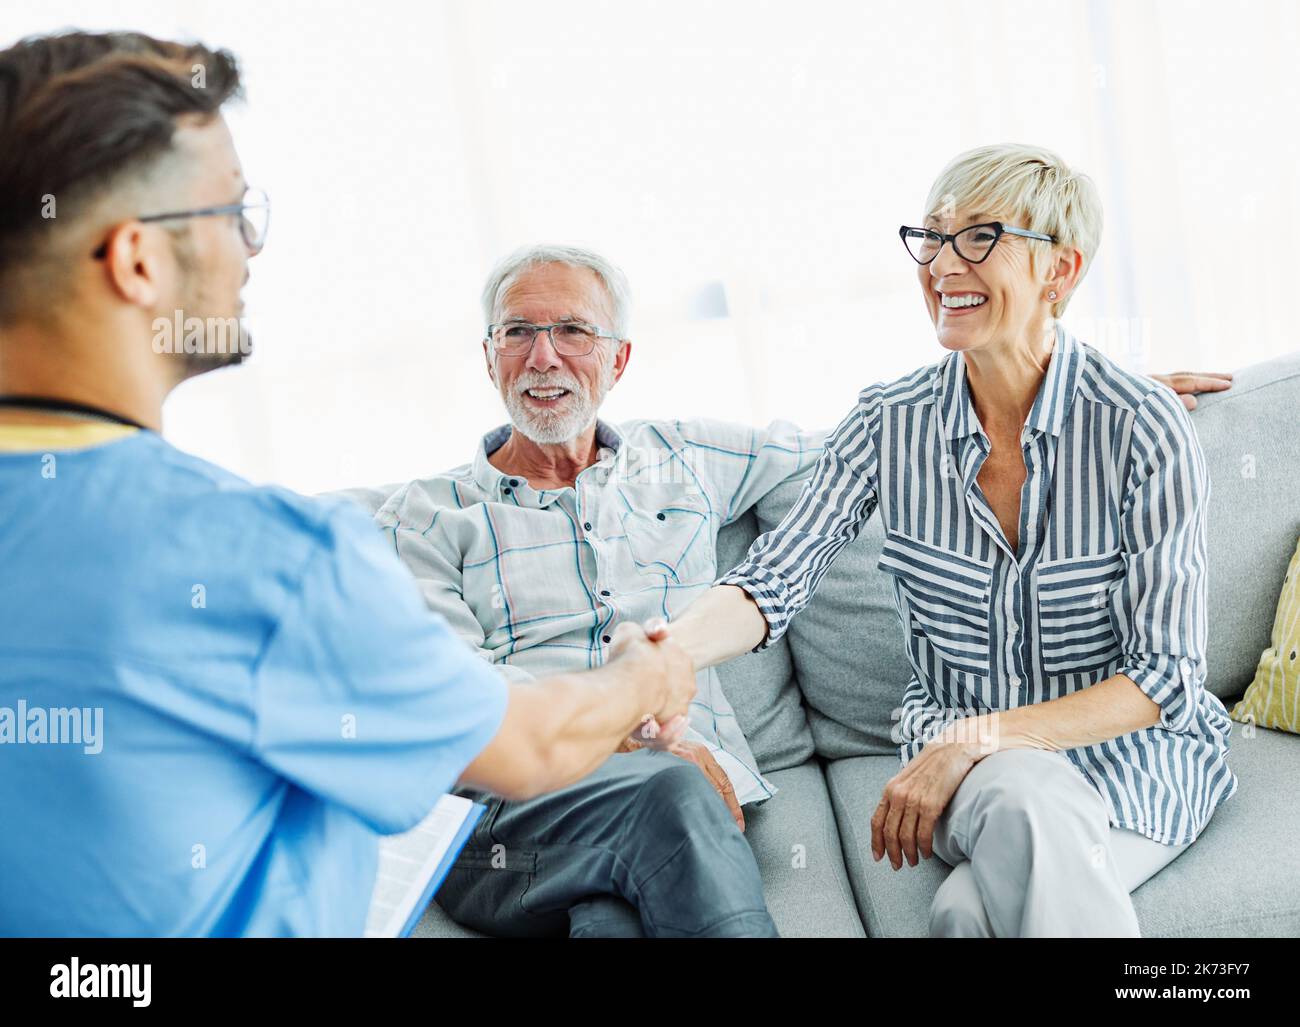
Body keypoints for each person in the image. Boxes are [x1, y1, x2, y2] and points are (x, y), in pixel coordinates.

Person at [0, 30, 694, 938]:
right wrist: (644, 677)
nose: (250, 249)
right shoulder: (259, 557)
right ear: (139, 261)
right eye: (232, 213)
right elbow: (527, 745)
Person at [374, 241, 1231, 938]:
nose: (545, 356)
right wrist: (629, 736)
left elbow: (864, 450)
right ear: (488, 356)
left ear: (620, 357)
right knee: (664, 794)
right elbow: (457, 698)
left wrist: (1075, 405)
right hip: (518, 820)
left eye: (572, 331)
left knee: (613, 916)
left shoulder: (685, 456)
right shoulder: (425, 515)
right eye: (518, 332)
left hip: (675, 820)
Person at [670, 144, 1238, 937]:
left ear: (1059, 271)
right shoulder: (887, 422)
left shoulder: (1141, 427)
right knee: (1021, 793)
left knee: (963, 915)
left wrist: (977, 739)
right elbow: (773, 579)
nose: (942, 263)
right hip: (978, 779)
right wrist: (669, 651)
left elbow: (1165, 676)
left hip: (1133, 763)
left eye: (979, 236)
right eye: (933, 236)